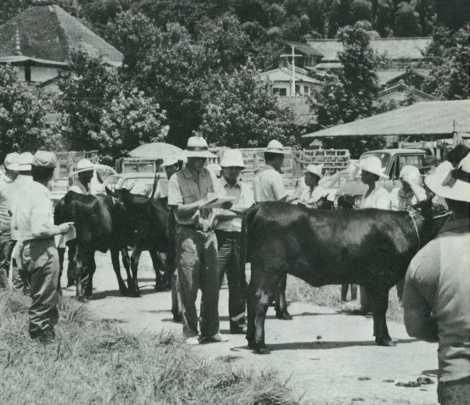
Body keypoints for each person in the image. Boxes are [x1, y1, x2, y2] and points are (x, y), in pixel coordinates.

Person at [403, 155, 470, 405]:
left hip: (459, 380)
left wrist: (450, 332)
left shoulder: (427, 257)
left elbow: (415, 326)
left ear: (451, 200)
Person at [167, 136, 228, 344]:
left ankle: (211, 329)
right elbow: (177, 211)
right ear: (189, 158)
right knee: (189, 284)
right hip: (188, 234)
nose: (201, 162)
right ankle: (190, 331)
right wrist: (201, 203)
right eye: (197, 158)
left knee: (212, 285)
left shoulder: (209, 175)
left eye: (203, 158)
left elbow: (216, 199)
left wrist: (222, 206)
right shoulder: (176, 179)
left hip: (209, 232)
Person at [11, 151, 73, 343]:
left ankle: (45, 340)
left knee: (39, 296)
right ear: (51, 172)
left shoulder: (24, 190)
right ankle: (41, 344)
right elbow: (40, 229)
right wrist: (61, 228)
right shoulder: (42, 194)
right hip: (41, 249)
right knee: (44, 300)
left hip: (26, 247)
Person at [253, 139, 294, 320]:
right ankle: (281, 306)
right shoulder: (274, 176)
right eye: (281, 158)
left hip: (260, 221)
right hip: (275, 223)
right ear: (277, 158)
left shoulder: (257, 176)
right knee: (280, 266)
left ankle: (262, 302)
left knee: (261, 268)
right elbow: (282, 200)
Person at [214, 149, 254, 334]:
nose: (233, 172)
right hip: (219, 237)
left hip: (239, 237)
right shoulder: (215, 187)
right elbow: (213, 213)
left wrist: (226, 210)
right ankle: (210, 324)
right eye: (230, 168)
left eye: (237, 169)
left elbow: (249, 212)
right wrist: (236, 211)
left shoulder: (245, 188)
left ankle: (237, 322)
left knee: (238, 282)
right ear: (223, 169)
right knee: (213, 280)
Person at [354, 156, 391, 313]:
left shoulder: (381, 194)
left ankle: (373, 306)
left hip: (375, 240)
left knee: (374, 275)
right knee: (363, 272)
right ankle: (365, 305)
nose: (362, 175)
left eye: (365, 173)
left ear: (372, 175)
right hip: (363, 238)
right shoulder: (366, 192)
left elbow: (380, 218)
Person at [9, 152, 35, 292]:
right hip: (31, 236)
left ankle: (17, 304)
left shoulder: (12, 185)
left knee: (18, 273)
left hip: (15, 235)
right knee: (31, 276)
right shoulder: (36, 185)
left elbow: (10, 210)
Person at [0, 153, 20, 288]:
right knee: (4, 261)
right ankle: (5, 291)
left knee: (18, 260)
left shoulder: (18, 181)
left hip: (18, 226)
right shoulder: (1, 182)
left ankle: (17, 290)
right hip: (4, 227)